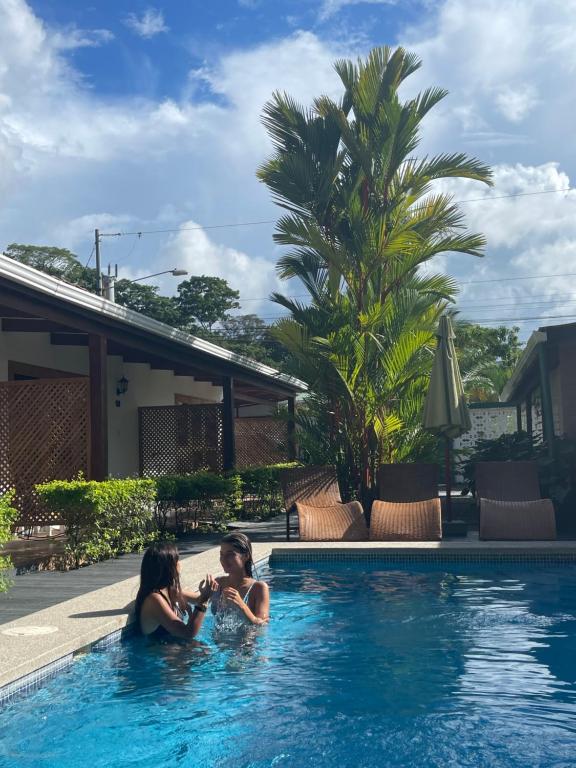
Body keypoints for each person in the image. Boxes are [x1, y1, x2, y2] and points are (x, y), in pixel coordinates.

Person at [135, 541, 218, 640]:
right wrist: (204, 600)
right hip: (159, 653)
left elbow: (198, 599)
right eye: (177, 560)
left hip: (173, 647)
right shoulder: (154, 599)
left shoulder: (169, 590)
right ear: (169, 567)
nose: (180, 563)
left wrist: (209, 593)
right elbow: (188, 633)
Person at [211, 533, 270, 628]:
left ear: (246, 556)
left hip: (246, 642)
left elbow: (263, 625)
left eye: (230, 555)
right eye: (222, 554)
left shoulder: (258, 588)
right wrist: (179, 594)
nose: (223, 559)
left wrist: (242, 605)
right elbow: (198, 600)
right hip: (215, 642)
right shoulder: (219, 583)